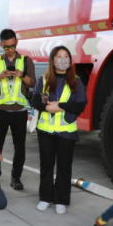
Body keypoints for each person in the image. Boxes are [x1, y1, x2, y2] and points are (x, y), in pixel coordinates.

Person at [30, 46, 87, 215]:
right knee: (46, 165)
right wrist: (49, 108)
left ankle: (61, 200)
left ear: (70, 60)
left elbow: (80, 105)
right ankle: (45, 198)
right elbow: (35, 100)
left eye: (66, 56)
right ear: (52, 60)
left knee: (64, 166)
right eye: (59, 56)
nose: (63, 59)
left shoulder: (76, 81)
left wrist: (60, 106)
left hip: (66, 132)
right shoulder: (44, 79)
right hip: (45, 131)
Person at [0, 29, 36, 190]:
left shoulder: (26, 61)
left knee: (20, 147)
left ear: (16, 42)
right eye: (7, 47)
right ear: (1, 45)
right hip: (0, 113)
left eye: (13, 45)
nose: (10, 49)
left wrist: (21, 75)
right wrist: (0, 76)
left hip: (19, 112)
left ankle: (16, 178)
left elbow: (33, 83)